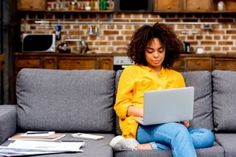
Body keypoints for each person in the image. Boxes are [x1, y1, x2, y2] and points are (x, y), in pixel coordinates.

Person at [109, 23, 215, 157]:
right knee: (179, 132)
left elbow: (180, 107)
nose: (156, 55)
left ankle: (146, 147)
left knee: (207, 136)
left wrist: (183, 119)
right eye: (150, 51)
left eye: (160, 50)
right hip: (141, 127)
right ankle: (165, 139)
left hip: (171, 126)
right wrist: (145, 112)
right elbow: (120, 106)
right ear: (142, 50)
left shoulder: (176, 77)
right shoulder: (131, 72)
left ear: (167, 50)